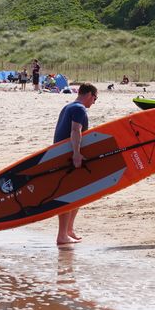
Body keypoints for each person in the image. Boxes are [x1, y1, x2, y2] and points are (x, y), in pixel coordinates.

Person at [53, 82, 98, 245]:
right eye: (95, 98)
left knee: (79, 194)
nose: (94, 102)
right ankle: (62, 235)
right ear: (89, 95)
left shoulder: (69, 107)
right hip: (68, 156)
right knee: (69, 195)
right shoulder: (79, 109)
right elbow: (75, 131)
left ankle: (69, 230)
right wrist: (76, 153)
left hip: (62, 154)